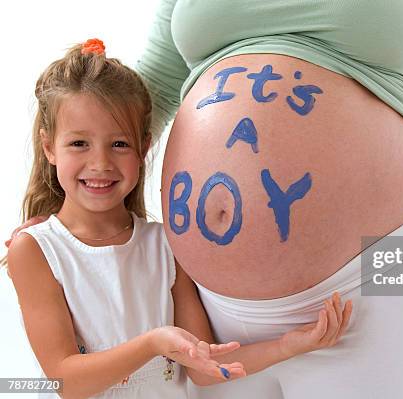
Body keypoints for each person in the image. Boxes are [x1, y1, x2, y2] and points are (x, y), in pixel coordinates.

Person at [4, 39, 352, 399]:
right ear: (49, 148)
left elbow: (203, 369)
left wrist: (291, 345)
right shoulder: (36, 250)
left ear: (144, 148)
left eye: (119, 144)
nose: (100, 163)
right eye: (79, 144)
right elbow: (66, 381)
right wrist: (154, 343)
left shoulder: (165, 244)